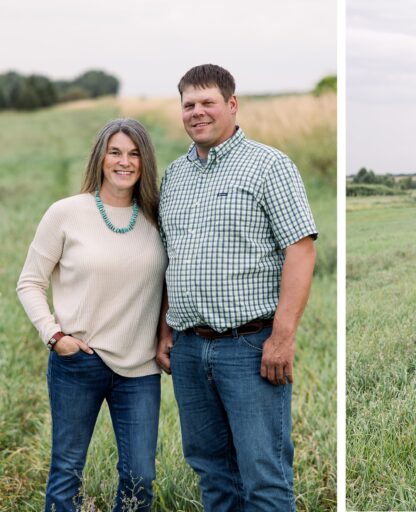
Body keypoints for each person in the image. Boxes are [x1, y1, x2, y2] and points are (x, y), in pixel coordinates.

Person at [156, 64, 318, 511]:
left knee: (264, 476)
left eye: (207, 102)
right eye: (188, 104)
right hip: (189, 350)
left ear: (232, 104)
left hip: (249, 348)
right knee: (213, 474)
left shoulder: (269, 165)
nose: (197, 112)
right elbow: (172, 259)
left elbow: (301, 251)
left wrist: (282, 338)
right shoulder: (174, 176)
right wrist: (166, 329)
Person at [16, 118, 166, 511]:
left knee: (140, 478)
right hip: (79, 361)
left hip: (140, 369)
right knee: (67, 470)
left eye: (134, 154)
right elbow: (29, 282)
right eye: (115, 151)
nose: (124, 161)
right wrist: (54, 336)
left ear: (144, 161)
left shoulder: (156, 219)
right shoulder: (66, 213)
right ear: (100, 157)